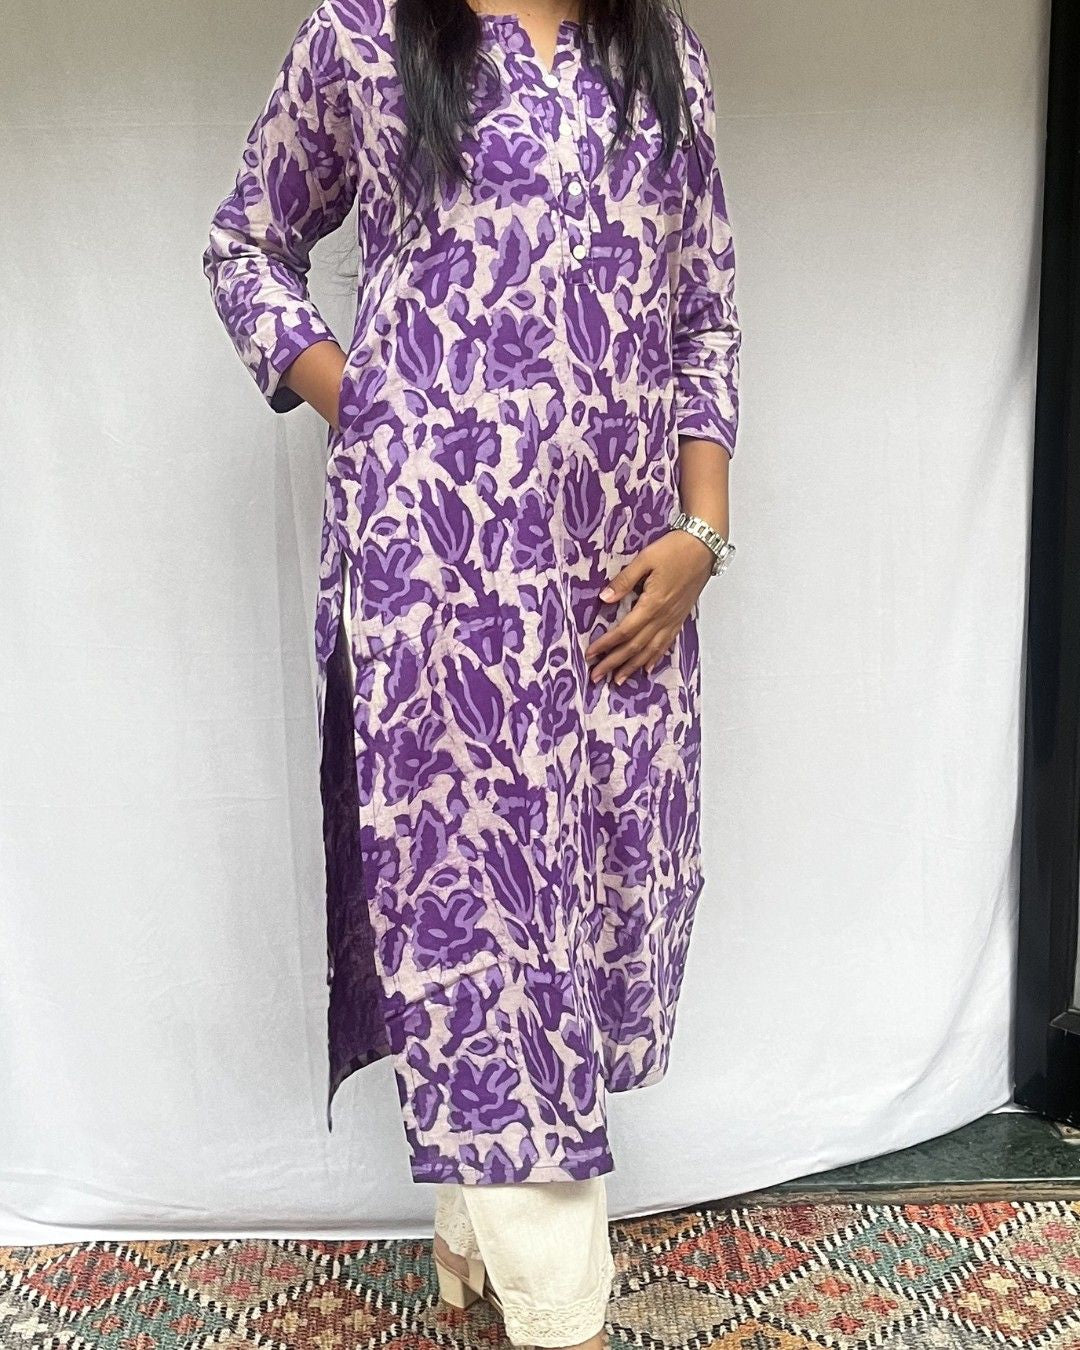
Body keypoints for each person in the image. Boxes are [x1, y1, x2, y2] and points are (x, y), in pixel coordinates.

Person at [202, 0, 742, 1345]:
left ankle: (467, 1253)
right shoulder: (364, 33)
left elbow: (705, 315)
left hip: (618, 597)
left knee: (588, 912)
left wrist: (703, 533)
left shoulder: (656, 45)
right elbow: (246, 245)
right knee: (496, 945)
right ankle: (564, 1312)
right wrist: (374, 408)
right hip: (439, 590)